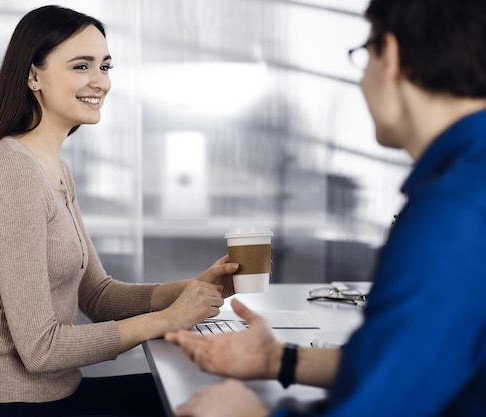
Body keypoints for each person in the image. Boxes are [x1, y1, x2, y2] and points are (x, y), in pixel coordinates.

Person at [166, 0, 486, 416]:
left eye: (363, 58)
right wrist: (279, 360)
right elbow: (428, 362)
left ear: (388, 54)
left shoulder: (451, 212)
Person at [0, 5, 238, 417]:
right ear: (33, 76)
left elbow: (98, 296)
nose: (99, 81)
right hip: (14, 403)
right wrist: (167, 320)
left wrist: (193, 288)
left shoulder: (54, 168)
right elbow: (40, 349)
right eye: (81, 66)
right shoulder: (11, 170)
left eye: (105, 66)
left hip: (55, 395)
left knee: (205, 397)